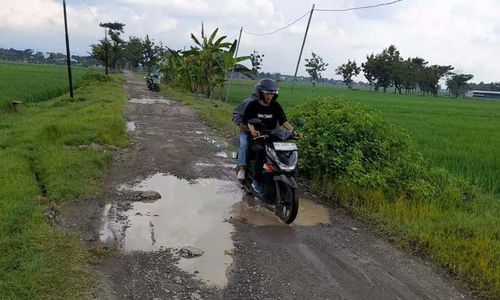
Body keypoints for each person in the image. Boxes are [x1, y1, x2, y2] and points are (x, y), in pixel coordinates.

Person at [241, 78, 294, 196]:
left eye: (272, 93)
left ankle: (283, 176)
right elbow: (248, 121)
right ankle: (256, 180)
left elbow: (283, 121)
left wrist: (292, 131)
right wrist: (253, 131)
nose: (270, 96)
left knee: (282, 152)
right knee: (261, 151)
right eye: (267, 93)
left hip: (271, 136)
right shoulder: (252, 105)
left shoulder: (275, 106)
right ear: (260, 93)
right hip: (257, 138)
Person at [231, 80, 263, 180]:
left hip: (264, 133)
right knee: (244, 144)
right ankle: (242, 169)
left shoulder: (271, 105)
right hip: (247, 133)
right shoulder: (248, 102)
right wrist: (242, 125)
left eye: (271, 93)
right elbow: (236, 113)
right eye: (267, 92)